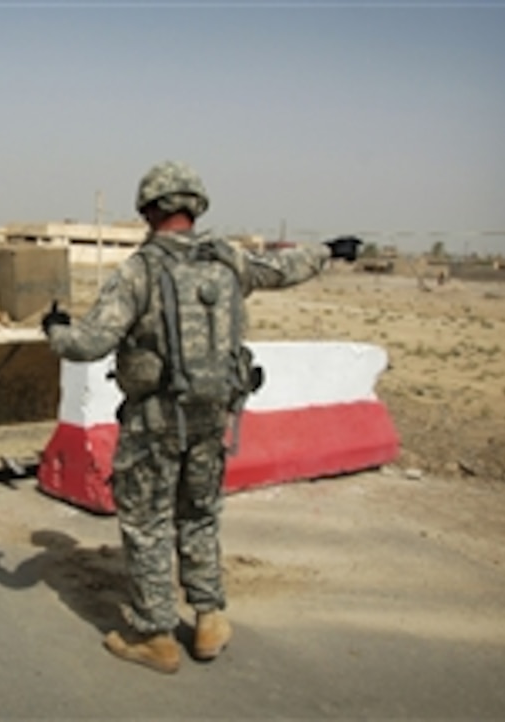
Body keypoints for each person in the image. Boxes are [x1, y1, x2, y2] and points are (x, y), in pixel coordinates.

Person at [41, 161, 360, 674]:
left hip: (154, 422)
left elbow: (88, 344)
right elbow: (285, 269)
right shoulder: (228, 260)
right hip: (216, 418)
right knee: (200, 514)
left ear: (148, 210)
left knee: (147, 524)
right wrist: (330, 250)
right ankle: (209, 619)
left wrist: (54, 328)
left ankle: (156, 636)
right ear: (195, 207)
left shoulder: (138, 271)